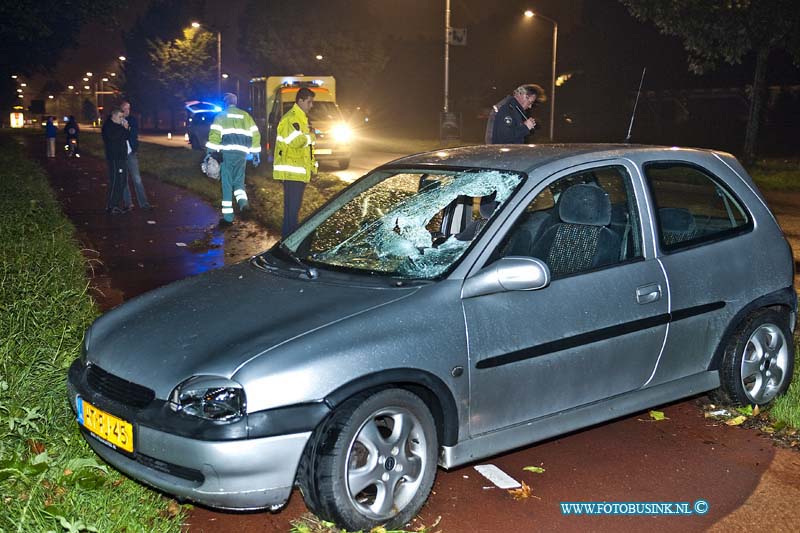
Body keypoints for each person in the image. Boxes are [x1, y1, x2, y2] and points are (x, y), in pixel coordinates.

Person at [205, 93, 261, 227]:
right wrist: (255, 154)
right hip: (242, 155)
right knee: (239, 183)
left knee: (227, 185)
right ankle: (243, 204)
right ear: (235, 102)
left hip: (227, 155)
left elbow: (214, 136)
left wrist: (210, 154)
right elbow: (256, 135)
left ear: (225, 103)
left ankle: (228, 218)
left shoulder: (221, 116)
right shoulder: (246, 116)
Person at [273, 87, 317, 237]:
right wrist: (311, 136)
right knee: (291, 212)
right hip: (292, 173)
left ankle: (289, 242)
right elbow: (296, 142)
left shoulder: (301, 119)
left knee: (293, 211)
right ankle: (288, 243)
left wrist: (312, 167)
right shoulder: (291, 118)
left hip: (298, 172)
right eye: (309, 102)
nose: (311, 105)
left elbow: (306, 150)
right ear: (300, 100)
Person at [120, 101, 152, 211]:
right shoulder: (115, 121)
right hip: (120, 154)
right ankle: (128, 204)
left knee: (137, 179)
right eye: (125, 108)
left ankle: (144, 204)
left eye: (128, 108)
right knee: (123, 180)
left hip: (130, 153)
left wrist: (134, 148)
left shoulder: (132, 120)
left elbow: (133, 134)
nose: (127, 111)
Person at [101, 109, 130, 215]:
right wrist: (123, 128)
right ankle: (111, 206)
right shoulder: (108, 126)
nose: (122, 119)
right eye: (120, 117)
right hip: (114, 158)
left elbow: (125, 137)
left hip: (121, 157)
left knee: (122, 181)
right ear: (114, 116)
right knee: (115, 181)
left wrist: (125, 129)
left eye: (123, 117)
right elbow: (113, 137)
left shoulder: (119, 126)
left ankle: (116, 204)